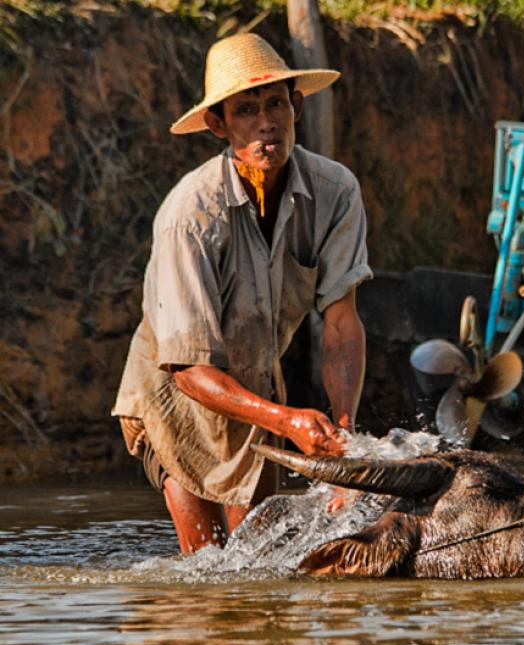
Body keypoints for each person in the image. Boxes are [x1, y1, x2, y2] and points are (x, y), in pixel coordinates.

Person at [112, 32, 371, 553]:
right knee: (208, 563)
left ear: (296, 107)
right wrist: (289, 420)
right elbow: (186, 369)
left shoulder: (336, 192)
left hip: (256, 388)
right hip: (175, 395)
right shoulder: (189, 216)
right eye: (247, 109)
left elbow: (342, 323)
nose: (265, 122)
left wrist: (345, 446)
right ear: (219, 124)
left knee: (261, 558)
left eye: (276, 104)